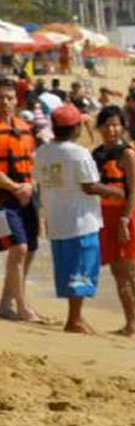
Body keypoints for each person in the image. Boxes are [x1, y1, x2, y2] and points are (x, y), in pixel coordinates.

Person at [35, 104, 123, 333]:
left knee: (68, 270)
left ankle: (74, 317)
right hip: (81, 220)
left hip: (56, 219)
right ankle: (75, 319)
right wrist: (116, 192)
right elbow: (89, 186)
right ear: (75, 129)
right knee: (81, 271)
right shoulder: (79, 153)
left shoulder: (43, 152)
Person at [92, 105, 135, 339]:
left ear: (122, 127)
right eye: (107, 125)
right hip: (106, 217)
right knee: (117, 273)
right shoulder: (97, 154)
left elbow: (134, 191)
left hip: (128, 217)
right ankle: (131, 324)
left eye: (116, 125)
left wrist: (124, 219)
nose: (112, 129)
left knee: (133, 273)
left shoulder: (128, 153)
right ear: (99, 127)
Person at [0, 78, 42, 322]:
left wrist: (30, 185)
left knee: (30, 250)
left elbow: (35, 164)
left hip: (28, 196)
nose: (5, 103)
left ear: (17, 100)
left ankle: (6, 302)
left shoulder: (25, 128)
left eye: (9, 98)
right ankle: (23, 305)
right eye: (1, 98)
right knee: (19, 248)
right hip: (3, 199)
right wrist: (15, 187)